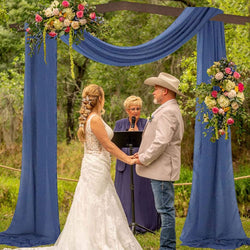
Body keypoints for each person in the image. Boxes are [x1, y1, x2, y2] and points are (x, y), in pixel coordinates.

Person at [6, 84, 142, 250]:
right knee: (98, 202)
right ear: (100, 99)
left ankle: (97, 238)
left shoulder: (91, 117)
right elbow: (107, 145)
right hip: (96, 166)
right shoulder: (95, 119)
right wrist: (128, 159)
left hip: (96, 164)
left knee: (95, 201)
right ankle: (96, 242)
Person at [134, 72, 184, 250]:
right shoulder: (167, 109)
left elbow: (161, 141)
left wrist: (144, 158)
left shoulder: (168, 112)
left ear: (165, 91)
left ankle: (168, 248)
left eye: (156, 89)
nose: (153, 93)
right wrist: (142, 154)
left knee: (165, 210)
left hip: (163, 168)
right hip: (161, 167)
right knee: (165, 209)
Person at [114, 96, 161, 233]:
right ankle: (125, 224)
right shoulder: (120, 124)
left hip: (141, 163)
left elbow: (152, 144)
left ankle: (144, 223)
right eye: (132, 109)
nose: (135, 111)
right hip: (124, 165)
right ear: (127, 110)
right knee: (125, 195)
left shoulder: (146, 124)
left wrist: (140, 154)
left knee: (141, 194)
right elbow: (115, 145)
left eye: (138, 109)